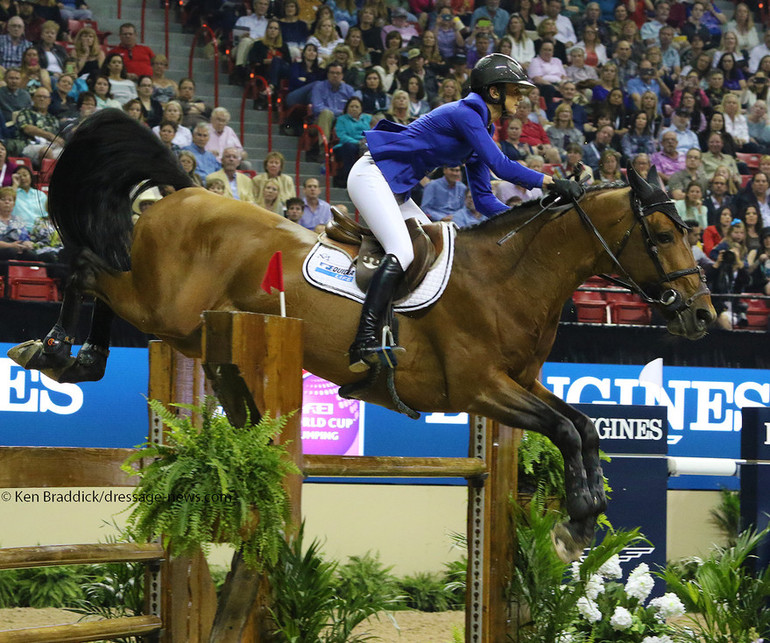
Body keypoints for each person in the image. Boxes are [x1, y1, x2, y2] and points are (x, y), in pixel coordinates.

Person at [344, 53, 578, 371]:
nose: (522, 98)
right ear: (494, 92)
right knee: (403, 249)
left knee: (433, 251)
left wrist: (528, 217)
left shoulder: (479, 128)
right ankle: (364, 339)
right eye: (515, 91)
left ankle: (405, 330)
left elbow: (483, 200)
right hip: (371, 176)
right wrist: (551, 181)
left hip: (395, 190)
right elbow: (501, 165)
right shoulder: (467, 113)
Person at [13, 86, 64, 167]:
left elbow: (59, 138)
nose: (42, 99)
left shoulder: (53, 119)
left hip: (52, 146)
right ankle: (47, 179)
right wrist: (50, 136)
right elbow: (28, 129)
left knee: (69, 154)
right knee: (46, 151)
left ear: (49, 101)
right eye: (39, 96)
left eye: (45, 97)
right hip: (30, 145)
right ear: (33, 99)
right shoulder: (26, 112)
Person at [333, 96, 371, 188]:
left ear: (361, 109)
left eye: (357, 107)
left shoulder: (366, 119)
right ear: (347, 108)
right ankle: (349, 178)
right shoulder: (341, 119)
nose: (354, 109)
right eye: (352, 106)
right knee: (349, 147)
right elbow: (342, 136)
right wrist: (357, 143)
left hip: (364, 144)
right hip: (345, 145)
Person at [0, 186, 38, 263]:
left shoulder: (18, 220)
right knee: (10, 251)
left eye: (10, 200)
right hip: (3, 250)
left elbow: (25, 238)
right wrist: (11, 245)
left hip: (17, 250)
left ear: (14, 204)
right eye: (3, 199)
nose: (7, 202)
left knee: (32, 255)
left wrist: (26, 244)